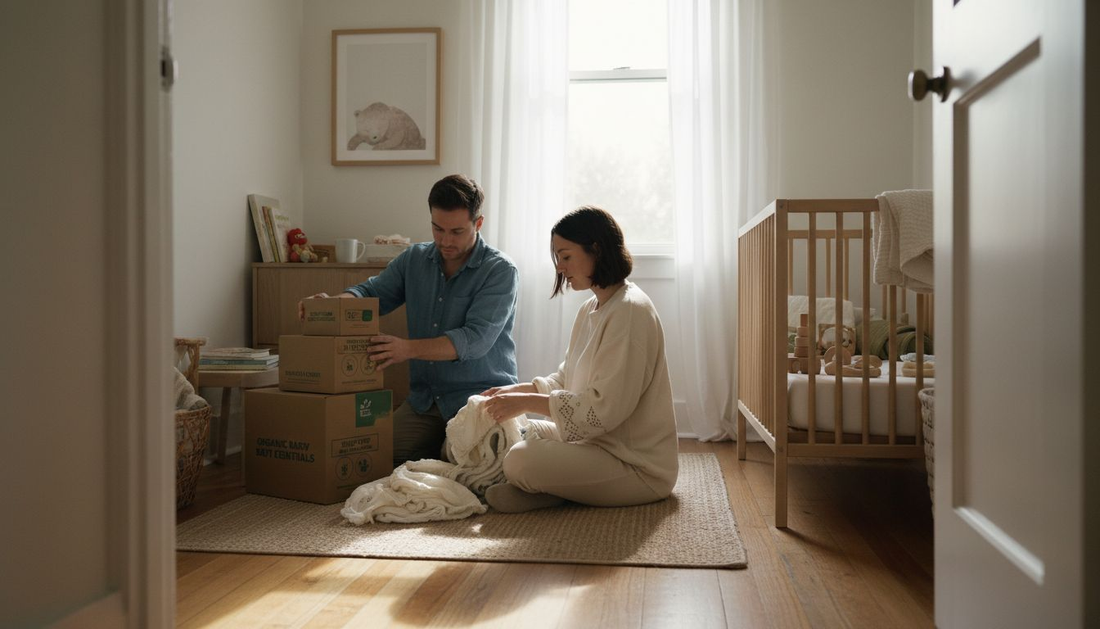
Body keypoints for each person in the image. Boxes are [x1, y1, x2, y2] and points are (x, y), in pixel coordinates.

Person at [298, 174, 519, 466]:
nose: (445, 240)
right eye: (437, 229)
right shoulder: (414, 259)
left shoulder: (500, 270)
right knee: (379, 458)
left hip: (480, 399)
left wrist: (407, 349)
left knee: (481, 461)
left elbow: (474, 341)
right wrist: (334, 304)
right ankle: (443, 456)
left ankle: (451, 454)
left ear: (478, 224)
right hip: (426, 401)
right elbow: (371, 293)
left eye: (456, 231)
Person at [480, 206, 679, 513]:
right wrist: (516, 393)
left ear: (596, 249)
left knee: (520, 459)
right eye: (557, 258)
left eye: (566, 256)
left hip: (636, 466)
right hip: (592, 447)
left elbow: (602, 411)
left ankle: (550, 487)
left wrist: (524, 402)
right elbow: (566, 379)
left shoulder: (629, 312)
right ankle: (560, 489)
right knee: (514, 430)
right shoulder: (591, 308)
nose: (560, 267)